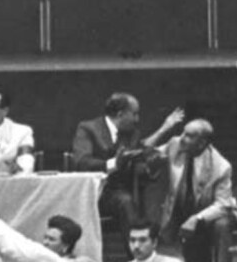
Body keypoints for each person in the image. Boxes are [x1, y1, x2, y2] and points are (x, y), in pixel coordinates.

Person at [71, 93, 184, 235]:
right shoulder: (88, 128)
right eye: (135, 114)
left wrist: (164, 130)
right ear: (120, 114)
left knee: (126, 201)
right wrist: (113, 163)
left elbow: (140, 150)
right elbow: (81, 162)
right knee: (127, 202)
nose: (137, 119)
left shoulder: (132, 133)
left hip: (114, 194)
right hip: (89, 193)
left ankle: (136, 251)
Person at [153, 119, 237, 262]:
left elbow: (223, 204)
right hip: (181, 213)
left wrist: (197, 218)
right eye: (183, 132)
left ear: (202, 143)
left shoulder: (221, 166)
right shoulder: (175, 144)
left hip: (209, 215)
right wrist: (163, 129)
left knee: (222, 224)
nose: (182, 138)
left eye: (189, 135)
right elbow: (147, 153)